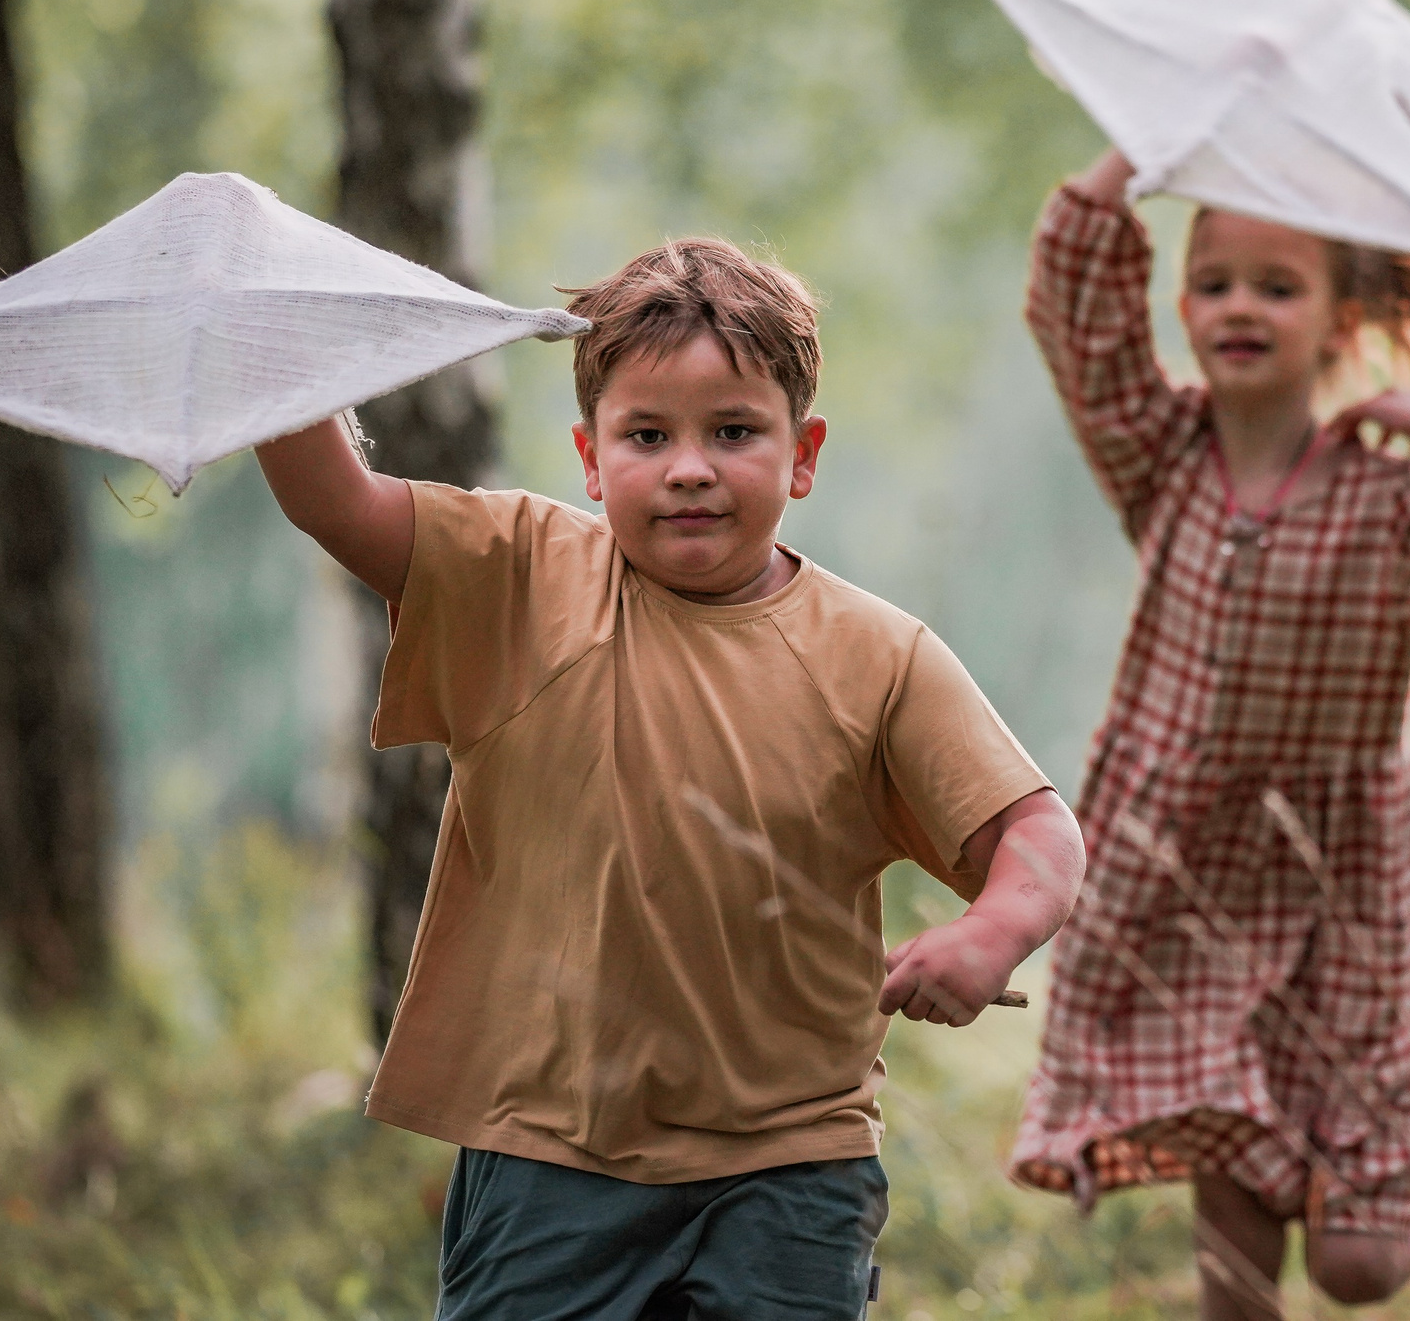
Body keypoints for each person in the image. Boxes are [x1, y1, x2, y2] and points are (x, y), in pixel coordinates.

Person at [255, 236, 1086, 1321]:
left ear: (803, 453)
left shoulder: (877, 655)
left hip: (792, 1161)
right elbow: (335, 502)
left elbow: (1036, 830)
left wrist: (988, 935)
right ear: (591, 459)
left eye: (733, 432)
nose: (689, 466)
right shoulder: (519, 576)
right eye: (647, 435)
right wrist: (266, 348)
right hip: (549, 1150)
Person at [1010, 148, 1410, 1318]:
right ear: (1182, 308)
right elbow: (1072, 309)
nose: (1239, 307)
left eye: (1277, 286)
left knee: (1355, 1269)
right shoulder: (1161, 454)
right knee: (1232, 1237)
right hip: (1190, 881)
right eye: (1215, 282)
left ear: (1339, 322)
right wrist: (1140, 153)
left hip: (1347, 892)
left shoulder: (1390, 498)